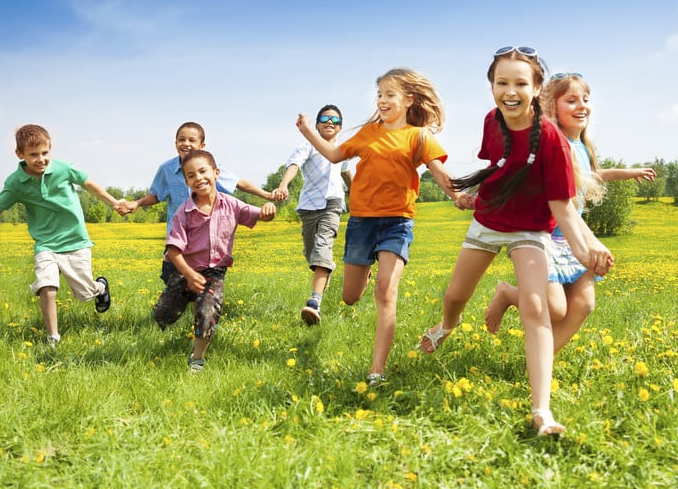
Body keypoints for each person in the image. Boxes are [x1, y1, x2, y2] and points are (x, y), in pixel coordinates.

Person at [418, 47, 614, 436]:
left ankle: (542, 411)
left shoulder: (554, 142)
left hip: (530, 230)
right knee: (456, 294)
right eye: (501, 82)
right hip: (489, 220)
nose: (510, 91)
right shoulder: (492, 120)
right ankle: (446, 326)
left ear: (536, 88)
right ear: (491, 85)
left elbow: (563, 208)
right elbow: (498, 163)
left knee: (537, 306)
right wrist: (476, 192)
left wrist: (585, 250)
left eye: (521, 83)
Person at [295, 68, 463, 388]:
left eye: (389, 94)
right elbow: (332, 155)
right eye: (380, 95)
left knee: (386, 292)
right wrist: (307, 130)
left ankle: (376, 372)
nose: (382, 100)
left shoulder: (419, 136)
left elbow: (439, 172)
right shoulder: (368, 132)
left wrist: (457, 196)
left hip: (398, 222)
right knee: (350, 297)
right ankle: (368, 267)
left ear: (408, 99)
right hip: (361, 222)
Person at [484, 72, 656, 353]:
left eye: (585, 100)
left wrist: (629, 172)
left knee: (584, 303)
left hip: (573, 235)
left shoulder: (582, 147)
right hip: (548, 235)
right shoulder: (553, 144)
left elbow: (592, 174)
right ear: (552, 107)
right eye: (571, 100)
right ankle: (507, 293)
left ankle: (541, 363)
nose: (582, 106)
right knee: (553, 309)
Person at [0, 124, 120, 347]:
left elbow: (89, 184)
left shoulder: (63, 169)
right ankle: (53, 338)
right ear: (20, 154)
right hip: (45, 244)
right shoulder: (16, 182)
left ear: (50, 150)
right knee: (47, 287)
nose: (41, 159)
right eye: (33, 155)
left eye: (45, 153)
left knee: (85, 294)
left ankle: (100, 287)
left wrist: (114, 203)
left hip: (75, 240)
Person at [150, 150, 276, 372]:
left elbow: (259, 215)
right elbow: (172, 251)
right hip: (185, 272)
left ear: (216, 173)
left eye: (202, 171)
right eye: (191, 175)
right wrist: (189, 275)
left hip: (214, 273)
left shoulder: (232, 205)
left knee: (208, 311)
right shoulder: (184, 213)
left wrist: (268, 210)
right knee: (163, 314)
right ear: (187, 182)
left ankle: (197, 358)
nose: (198, 178)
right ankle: (182, 305)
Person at [117, 121, 281, 284]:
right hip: (179, 241)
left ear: (202, 145)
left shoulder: (208, 168)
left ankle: (199, 306)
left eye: (191, 140)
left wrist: (266, 195)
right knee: (173, 285)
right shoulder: (166, 169)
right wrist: (136, 203)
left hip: (203, 243)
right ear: (175, 143)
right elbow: (156, 195)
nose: (186, 144)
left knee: (203, 287)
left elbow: (239, 182)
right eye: (182, 139)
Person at [274, 104, 353, 325]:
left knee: (323, 246)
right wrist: (283, 185)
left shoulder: (342, 149)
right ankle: (326, 267)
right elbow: (294, 165)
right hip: (309, 206)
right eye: (325, 118)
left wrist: (356, 194)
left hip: (333, 204)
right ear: (316, 125)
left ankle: (314, 302)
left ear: (340, 127)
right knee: (312, 254)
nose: (330, 122)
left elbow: (346, 172)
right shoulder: (307, 146)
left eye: (336, 120)